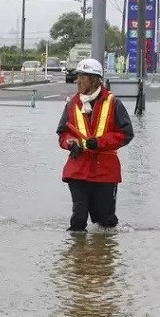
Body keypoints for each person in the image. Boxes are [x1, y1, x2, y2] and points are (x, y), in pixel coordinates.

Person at [56, 58, 135, 232]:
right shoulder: (72, 104)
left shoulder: (114, 103)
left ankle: (101, 256)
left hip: (105, 171)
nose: (79, 81)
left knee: (105, 222)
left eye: (82, 77)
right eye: (78, 76)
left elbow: (126, 134)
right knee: (78, 220)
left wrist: (99, 143)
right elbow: (63, 133)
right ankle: (78, 255)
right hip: (78, 169)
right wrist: (70, 143)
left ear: (95, 79)